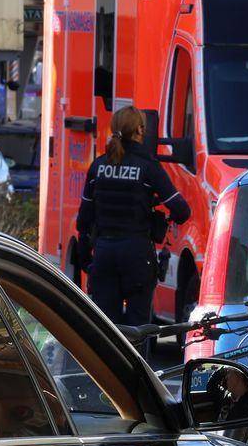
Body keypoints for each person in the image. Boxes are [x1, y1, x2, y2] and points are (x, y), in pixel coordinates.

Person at [75, 107, 191, 332]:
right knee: (139, 330)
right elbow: (182, 210)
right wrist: (161, 215)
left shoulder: (98, 166)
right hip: (137, 255)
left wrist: (85, 256)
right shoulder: (148, 166)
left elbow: (84, 218)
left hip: (104, 253)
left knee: (108, 331)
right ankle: (137, 366)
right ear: (140, 130)